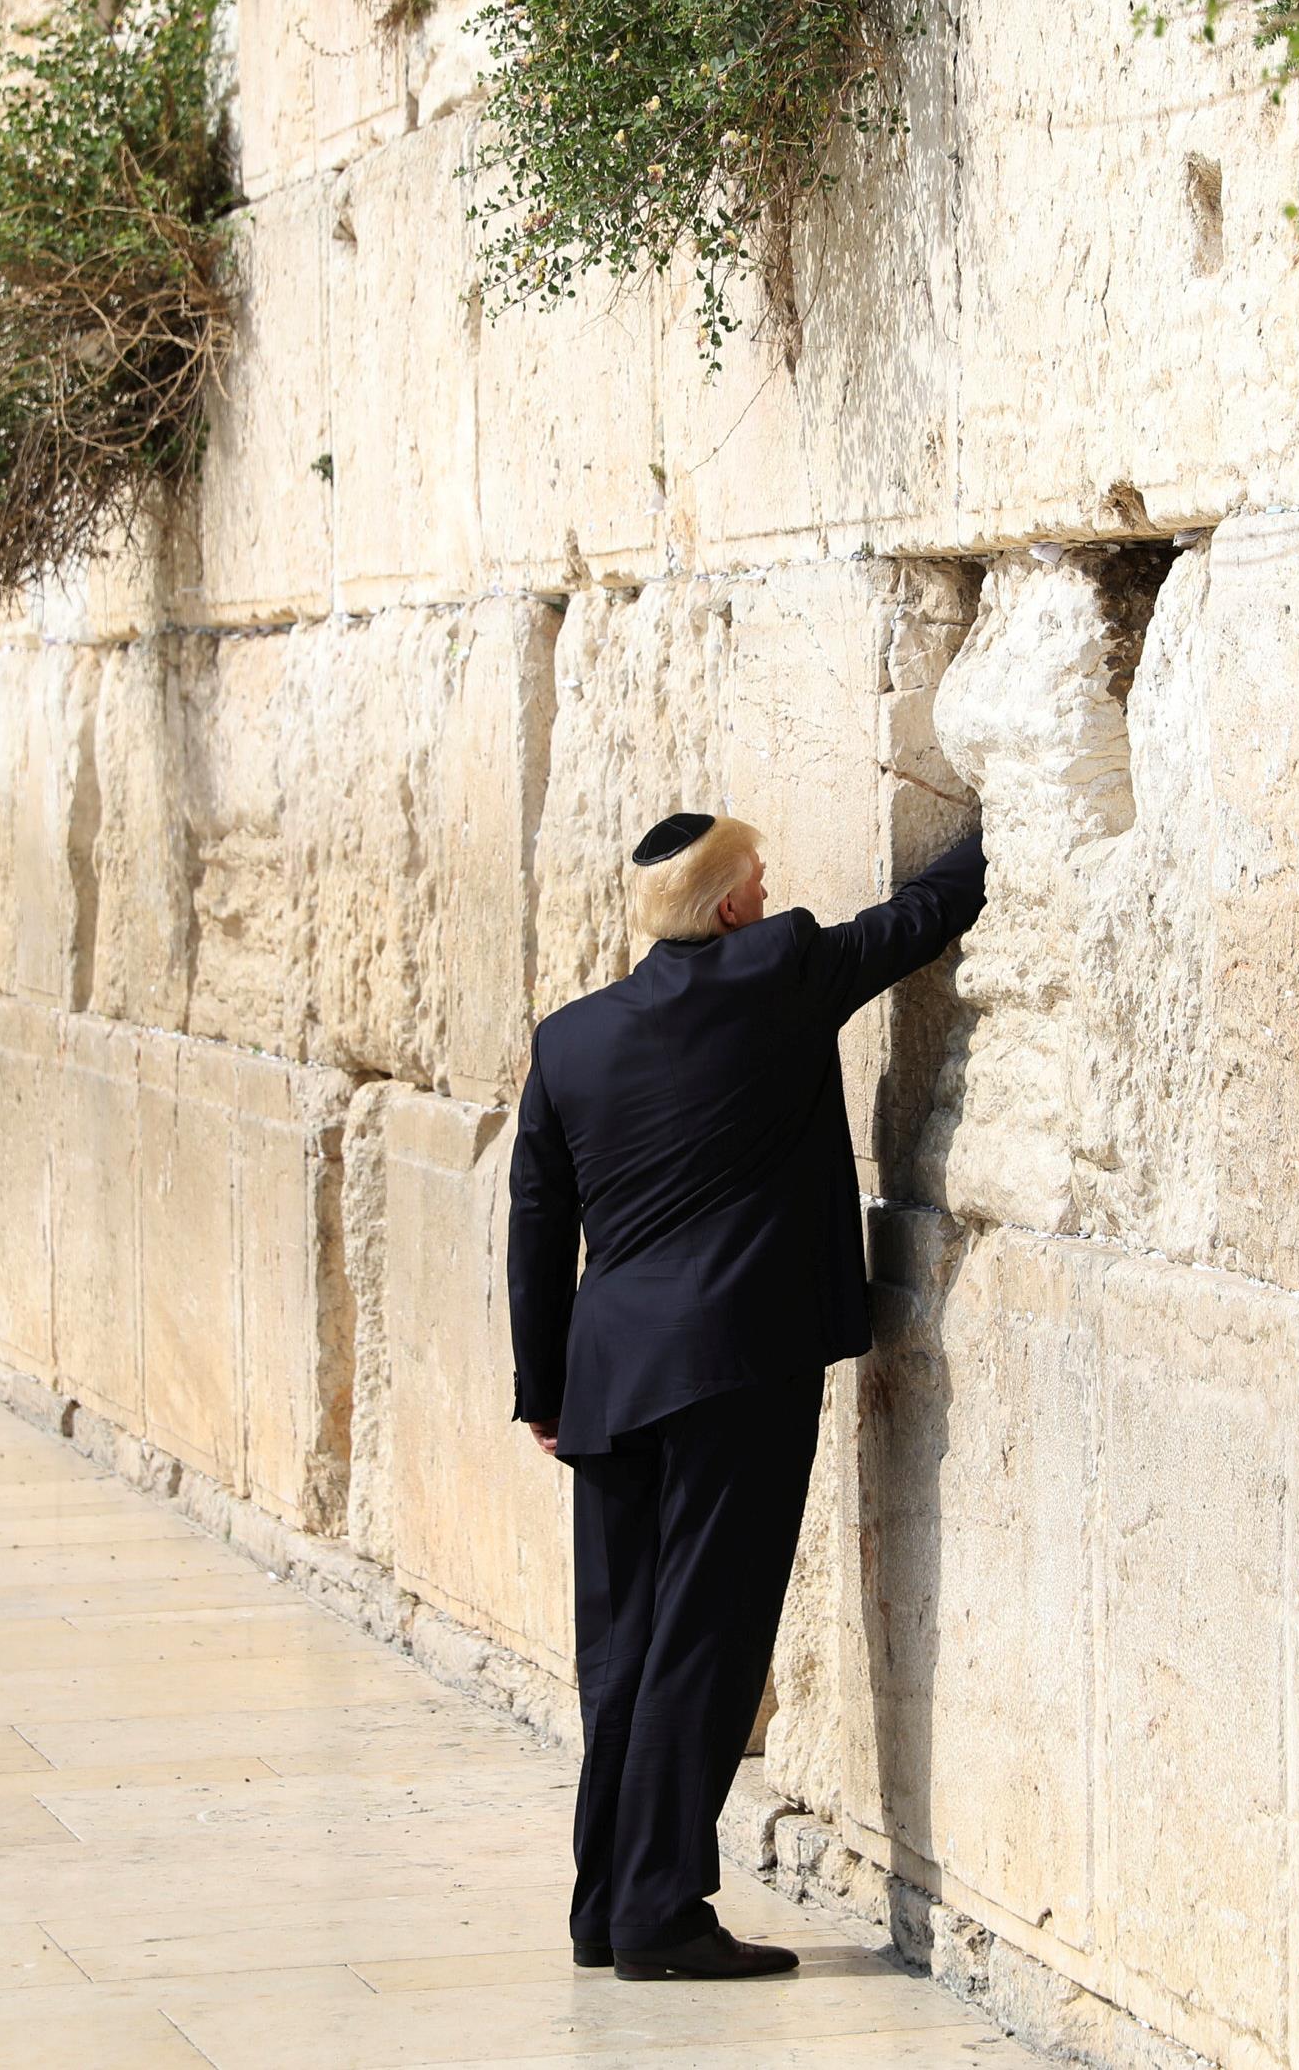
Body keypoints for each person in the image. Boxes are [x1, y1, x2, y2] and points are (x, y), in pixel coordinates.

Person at [507, 810, 989, 1982]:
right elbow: (914, 924)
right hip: (734, 1369)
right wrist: (993, 823)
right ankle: (661, 1913)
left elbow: (534, 1221)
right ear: (725, 905)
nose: (771, 898)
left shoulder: (567, 1041)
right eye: (759, 881)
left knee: (621, 1651)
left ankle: (601, 1903)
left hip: (608, 1381)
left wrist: (541, 1384)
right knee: (704, 1642)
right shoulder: (777, 971)